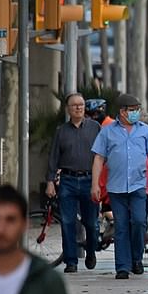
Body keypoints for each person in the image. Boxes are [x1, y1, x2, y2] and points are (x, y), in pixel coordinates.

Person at [91, 94, 148, 279]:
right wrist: (95, 184)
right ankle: (122, 266)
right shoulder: (107, 132)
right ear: (122, 112)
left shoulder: (145, 131)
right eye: (132, 110)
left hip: (139, 185)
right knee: (121, 226)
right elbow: (99, 158)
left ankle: (136, 259)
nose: (136, 113)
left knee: (139, 221)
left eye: (137, 109)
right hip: (116, 187)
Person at [45, 92, 101, 272]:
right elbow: (53, 157)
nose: (78, 108)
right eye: (74, 105)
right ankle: (71, 261)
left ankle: (91, 250)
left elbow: (102, 155)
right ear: (68, 109)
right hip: (68, 180)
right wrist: (50, 181)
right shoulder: (61, 131)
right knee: (68, 222)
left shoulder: (95, 128)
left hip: (89, 180)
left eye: (81, 105)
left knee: (91, 223)